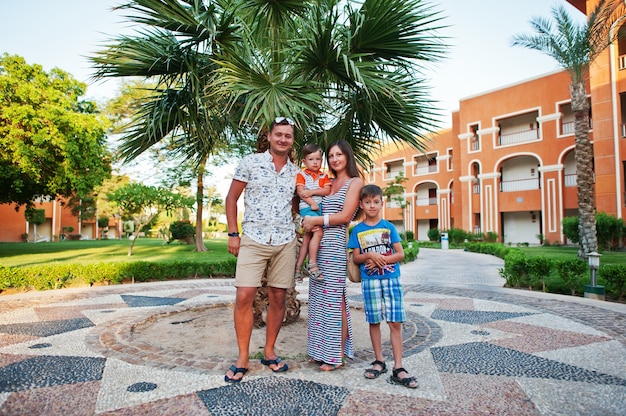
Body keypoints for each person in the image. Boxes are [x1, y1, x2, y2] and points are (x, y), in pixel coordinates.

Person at [223, 116, 300, 383]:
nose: (282, 139)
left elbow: (296, 205)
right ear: (269, 136)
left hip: (285, 241)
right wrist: (233, 234)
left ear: (291, 140)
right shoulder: (251, 162)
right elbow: (231, 198)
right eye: (278, 134)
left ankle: (269, 351)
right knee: (244, 295)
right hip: (253, 238)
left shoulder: (296, 172)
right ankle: (243, 357)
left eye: (287, 136)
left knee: (279, 297)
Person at [347, 184, 418, 389]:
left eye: (375, 202)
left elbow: (400, 254)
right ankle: (379, 361)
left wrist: (383, 259)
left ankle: (399, 366)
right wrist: (369, 255)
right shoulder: (358, 230)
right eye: (367, 202)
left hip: (391, 279)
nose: (371, 206)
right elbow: (357, 257)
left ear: (381, 203)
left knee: (395, 322)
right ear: (361, 204)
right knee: (374, 321)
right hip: (370, 282)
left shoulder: (389, 227)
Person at [301, 140, 363, 371]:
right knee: (318, 300)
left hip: (335, 245)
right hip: (317, 245)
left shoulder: (355, 182)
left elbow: (346, 216)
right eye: (331, 156)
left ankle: (336, 354)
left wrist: (316, 220)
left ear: (347, 156)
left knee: (335, 300)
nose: (335, 159)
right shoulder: (329, 182)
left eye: (339, 154)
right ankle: (319, 350)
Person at [295, 143, 331, 282]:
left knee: (307, 239)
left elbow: (326, 190)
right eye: (311, 159)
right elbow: (300, 192)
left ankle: (297, 269)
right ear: (304, 161)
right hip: (308, 208)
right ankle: (312, 264)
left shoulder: (323, 176)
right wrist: (313, 203)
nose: (315, 162)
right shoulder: (302, 175)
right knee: (319, 232)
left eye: (318, 159)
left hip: (317, 208)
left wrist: (312, 192)